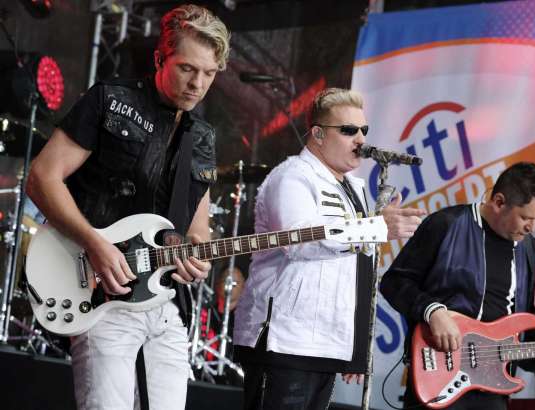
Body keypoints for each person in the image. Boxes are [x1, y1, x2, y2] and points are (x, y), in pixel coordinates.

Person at [26, 5, 230, 409]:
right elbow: (42, 178)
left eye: (209, 73)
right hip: (101, 294)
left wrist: (195, 257)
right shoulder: (110, 100)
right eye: (188, 68)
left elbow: (198, 230)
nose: (198, 83)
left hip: (165, 304)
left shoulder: (202, 138)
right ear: (160, 58)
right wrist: (94, 244)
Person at [233, 87, 426, 410]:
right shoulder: (293, 176)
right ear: (318, 134)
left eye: (364, 130)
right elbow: (299, 242)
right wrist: (376, 226)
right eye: (348, 130)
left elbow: (362, 268)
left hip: (325, 343)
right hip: (285, 340)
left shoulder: (357, 187)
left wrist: (356, 348)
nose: (361, 139)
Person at [380, 162, 535, 409]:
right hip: (439, 378)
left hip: (491, 388)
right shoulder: (447, 225)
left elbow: (526, 332)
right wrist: (433, 311)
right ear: (499, 202)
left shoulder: (527, 248)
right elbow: (395, 282)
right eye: (525, 217)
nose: (531, 227)